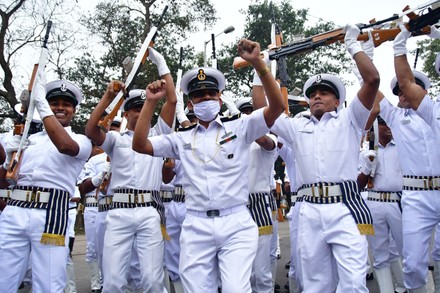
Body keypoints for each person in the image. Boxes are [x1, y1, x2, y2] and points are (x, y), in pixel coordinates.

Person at [132, 38, 285, 292]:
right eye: (198, 96)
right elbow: (140, 145)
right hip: (196, 226)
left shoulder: (241, 128)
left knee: (236, 288)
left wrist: (258, 63)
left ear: (220, 98)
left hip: (236, 222)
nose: (205, 99)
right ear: (190, 104)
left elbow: (277, 107)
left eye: (210, 94)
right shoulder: (180, 139)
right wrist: (150, 102)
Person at [269, 23, 379, 292]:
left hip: (344, 207)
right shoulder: (297, 127)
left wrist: (352, 46)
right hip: (309, 211)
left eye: (324, 93)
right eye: (312, 95)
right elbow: (267, 109)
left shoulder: (350, 120)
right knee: (316, 286)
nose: (316, 96)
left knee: (353, 284)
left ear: (338, 101)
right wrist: (261, 66)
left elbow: (372, 80)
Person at [85, 47, 176, 292]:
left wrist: (161, 63)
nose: (141, 112)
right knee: (113, 281)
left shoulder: (158, 136)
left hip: (149, 210)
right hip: (119, 212)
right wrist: (107, 97)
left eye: (144, 107)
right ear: (125, 113)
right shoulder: (116, 140)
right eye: (136, 109)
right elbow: (91, 130)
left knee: (153, 280)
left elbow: (173, 100)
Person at [0, 78, 92, 292]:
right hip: (15, 210)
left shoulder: (81, 140)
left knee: (49, 284)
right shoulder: (26, 139)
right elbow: (3, 181)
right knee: (3, 279)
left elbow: (64, 146)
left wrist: (41, 104)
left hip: (51, 213)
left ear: (74, 111)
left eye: (66, 104)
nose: (60, 107)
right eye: (54, 103)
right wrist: (7, 161)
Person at [375, 23, 440, 293]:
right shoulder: (394, 118)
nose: (403, 95)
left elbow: (406, 81)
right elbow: (370, 88)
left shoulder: (433, 110)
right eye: (400, 93)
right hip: (414, 196)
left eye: (409, 91)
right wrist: (364, 52)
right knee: (413, 264)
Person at [357, 115, 405, 292]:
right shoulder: (365, 153)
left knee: (407, 251)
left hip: (398, 202)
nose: (388, 127)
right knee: (379, 254)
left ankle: (405, 285)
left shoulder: (402, 148)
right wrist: (368, 167)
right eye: (383, 124)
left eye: (390, 123)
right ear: (375, 129)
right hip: (374, 203)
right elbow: (358, 186)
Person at [235, 96, 278, 293]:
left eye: (251, 113)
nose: (248, 116)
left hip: (259, 203)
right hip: (237, 204)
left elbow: (265, 142)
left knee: (261, 270)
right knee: (241, 269)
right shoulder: (234, 142)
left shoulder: (269, 139)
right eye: (245, 113)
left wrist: (249, 125)